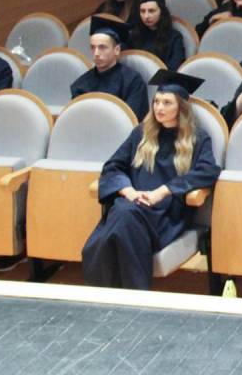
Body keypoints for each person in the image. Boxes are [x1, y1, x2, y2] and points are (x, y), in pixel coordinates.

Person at [82, 70, 221, 290]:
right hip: (133, 204)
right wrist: (128, 191)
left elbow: (208, 172)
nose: (159, 108)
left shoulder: (197, 138)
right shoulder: (141, 133)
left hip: (165, 215)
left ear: (181, 108)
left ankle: (107, 293)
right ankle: (133, 294)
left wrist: (163, 191)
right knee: (123, 213)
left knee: (114, 225)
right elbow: (112, 167)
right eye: (156, 101)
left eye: (167, 103)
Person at [70, 16, 149, 120]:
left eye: (102, 47)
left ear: (117, 50)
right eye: (93, 47)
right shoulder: (81, 84)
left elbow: (132, 119)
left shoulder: (132, 81)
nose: (96, 53)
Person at [129, 0, 186, 70]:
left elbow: (175, 67)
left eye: (151, 11)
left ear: (162, 12)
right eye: (142, 11)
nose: (146, 16)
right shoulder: (133, 35)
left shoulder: (174, 37)